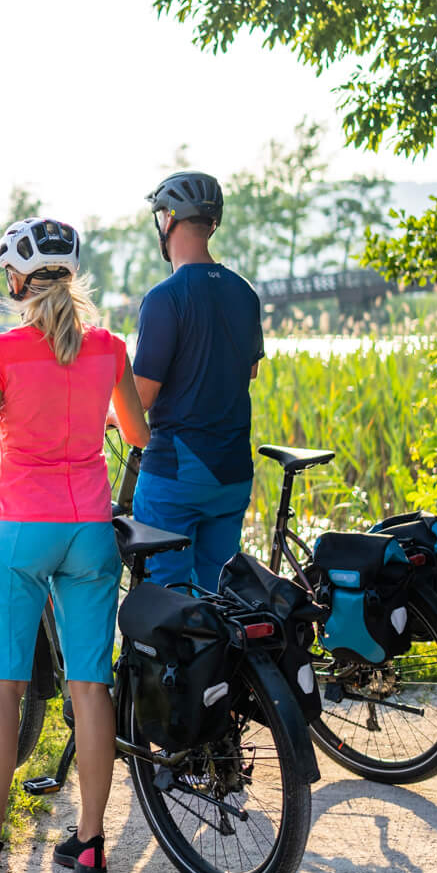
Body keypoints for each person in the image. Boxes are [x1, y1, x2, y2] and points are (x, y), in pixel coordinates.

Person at [0, 216, 150, 873]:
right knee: (90, 682)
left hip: (22, 530)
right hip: (89, 533)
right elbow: (137, 432)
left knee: (4, 686)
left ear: (19, 279)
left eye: (7, 275)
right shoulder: (107, 346)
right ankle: (89, 843)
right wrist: (92, 414)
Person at [131, 171, 264, 593]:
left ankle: (169, 663)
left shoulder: (165, 297)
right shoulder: (244, 292)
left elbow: (142, 398)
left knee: (168, 600)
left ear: (168, 219)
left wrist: (107, 414)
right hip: (232, 472)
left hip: (176, 473)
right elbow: (250, 370)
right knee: (220, 597)